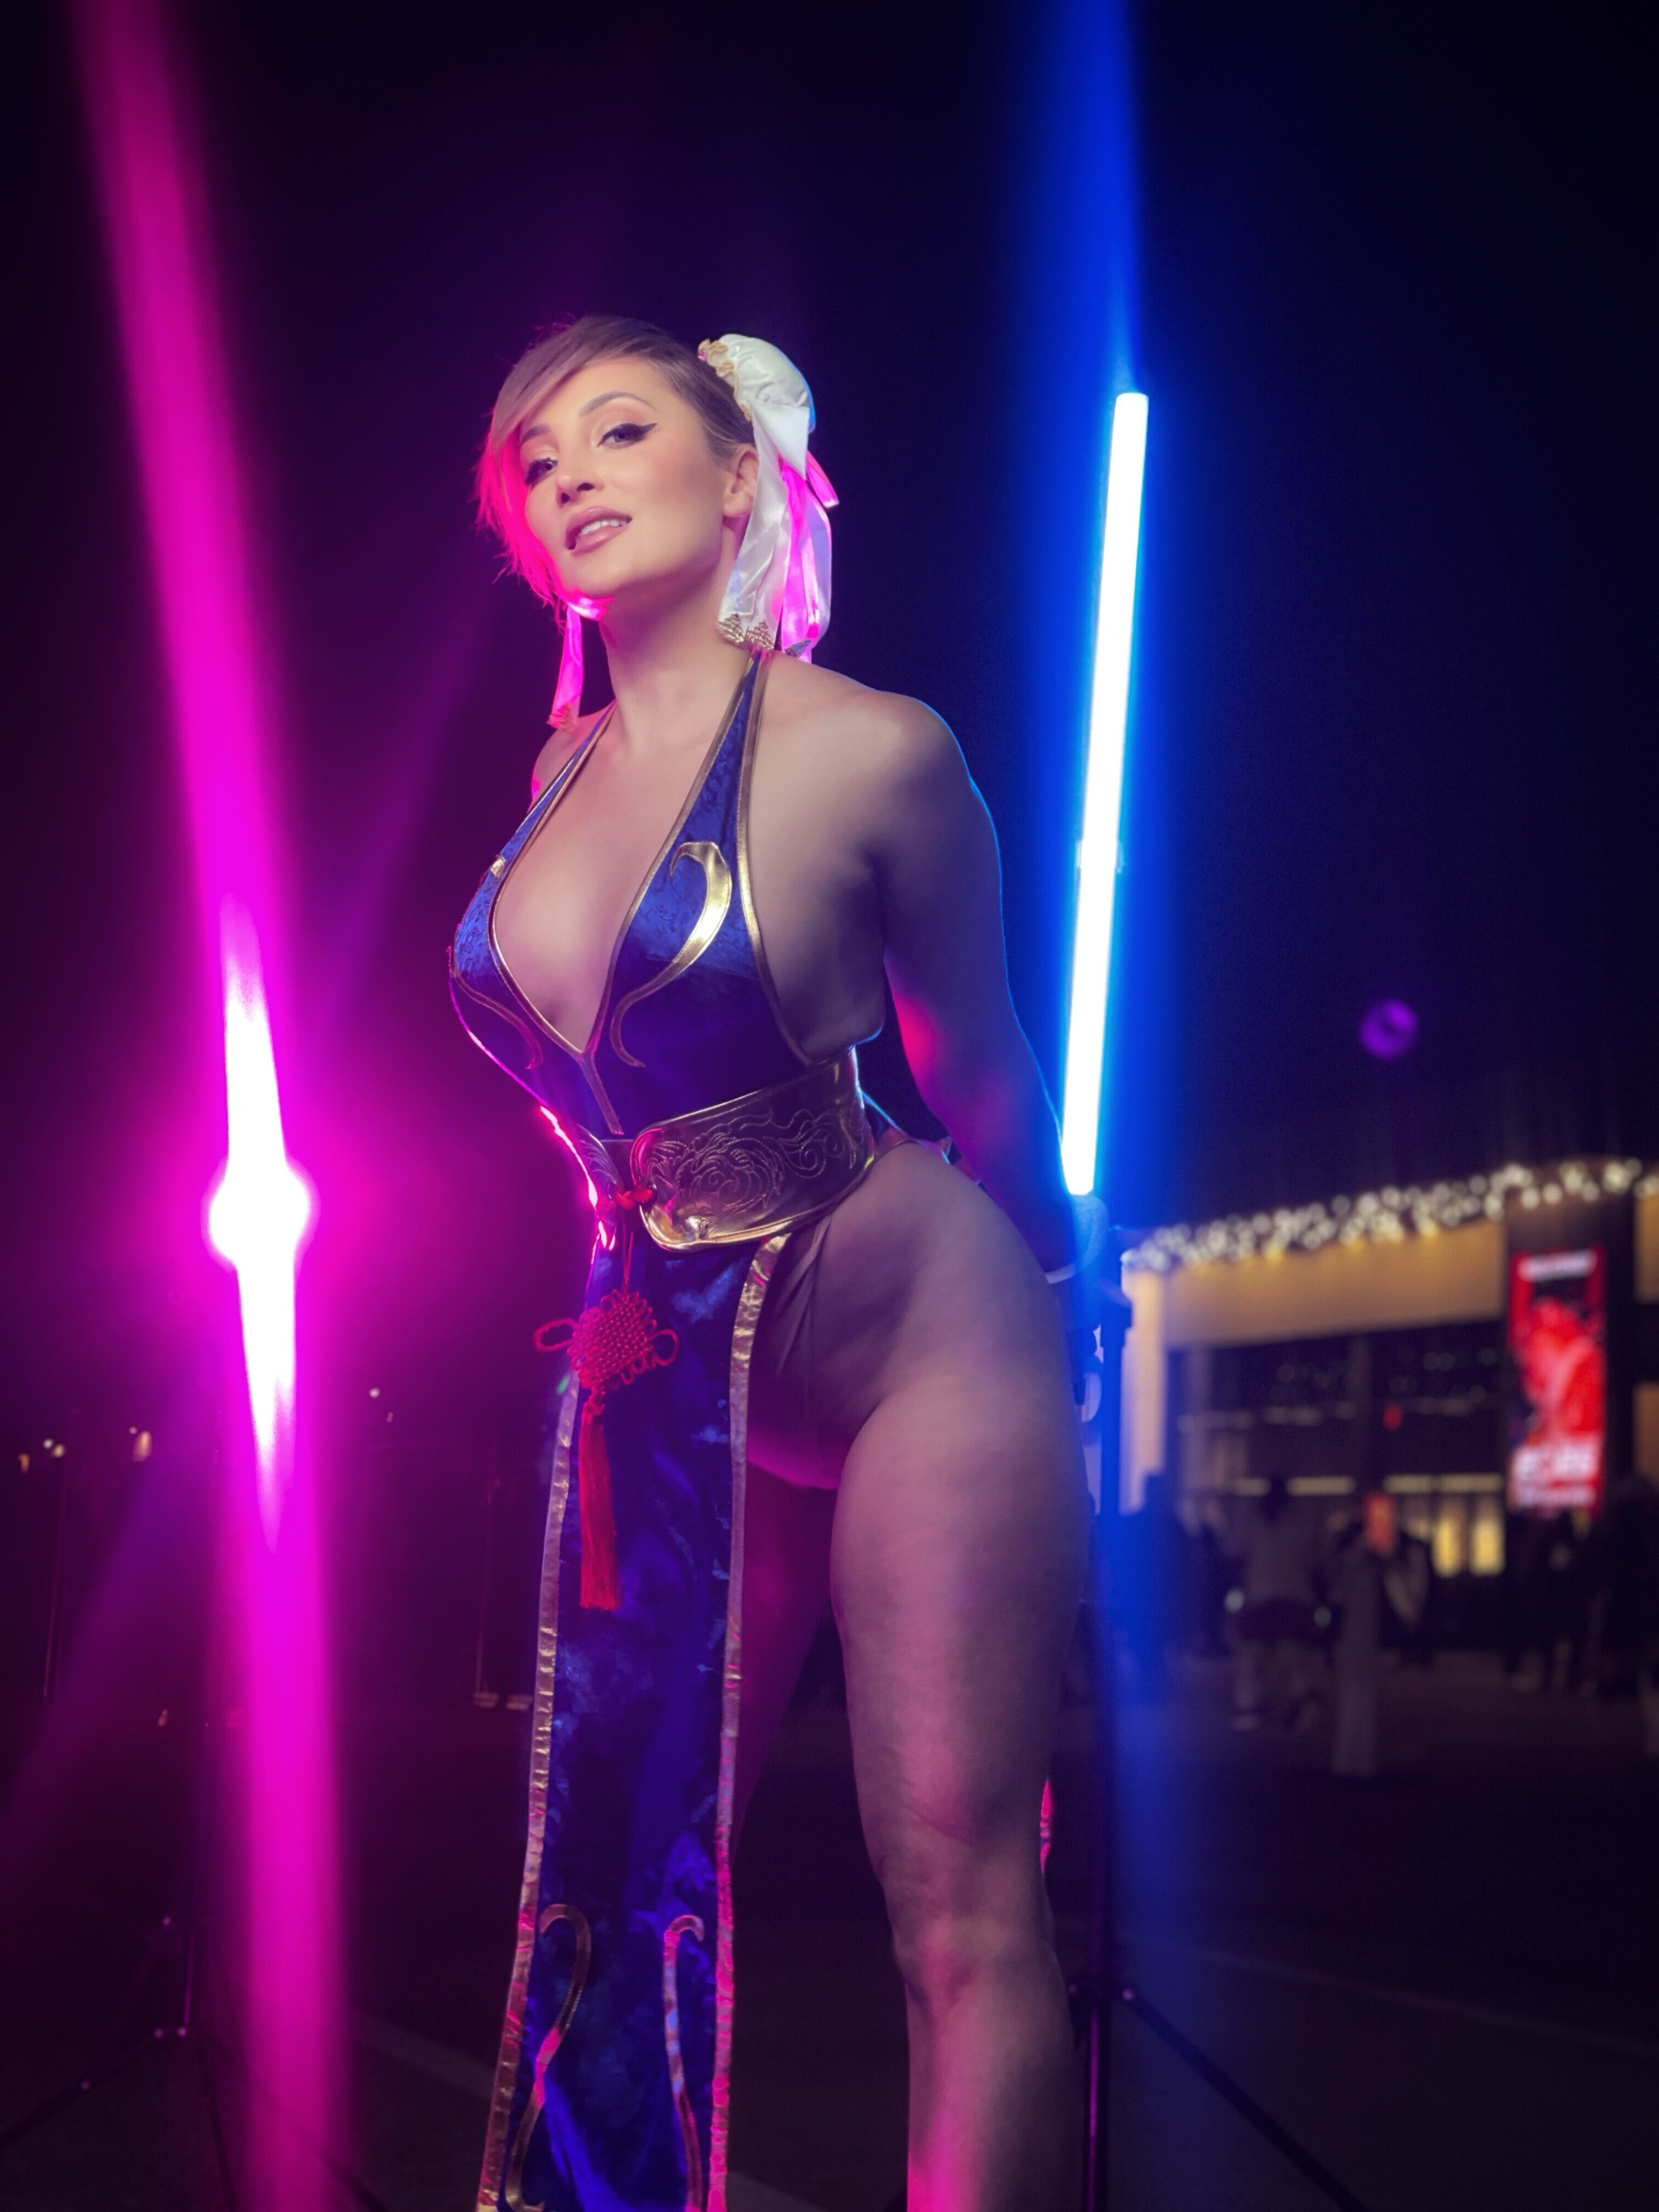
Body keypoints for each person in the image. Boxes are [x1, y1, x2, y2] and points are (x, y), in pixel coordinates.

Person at [450, 318, 1097, 2212]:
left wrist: (1063, 1285)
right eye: (535, 460)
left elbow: (981, 1073)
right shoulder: (552, 775)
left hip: (915, 1337)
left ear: (740, 476)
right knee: (612, 1874)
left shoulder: (878, 751)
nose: (569, 472)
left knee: (956, 1906)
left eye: (616, 428)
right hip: (669, 1368)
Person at [1232, 1474, 1321, 1730]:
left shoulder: (1257, 1521)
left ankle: (1255, 1709)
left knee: (1260, 1658)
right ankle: (1291, 1706)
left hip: (1268, 1597)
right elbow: (1316, 1558)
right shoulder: (1299, 1522)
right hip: (1286, 1597)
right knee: (1286, 1658)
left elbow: (1236, 1553)